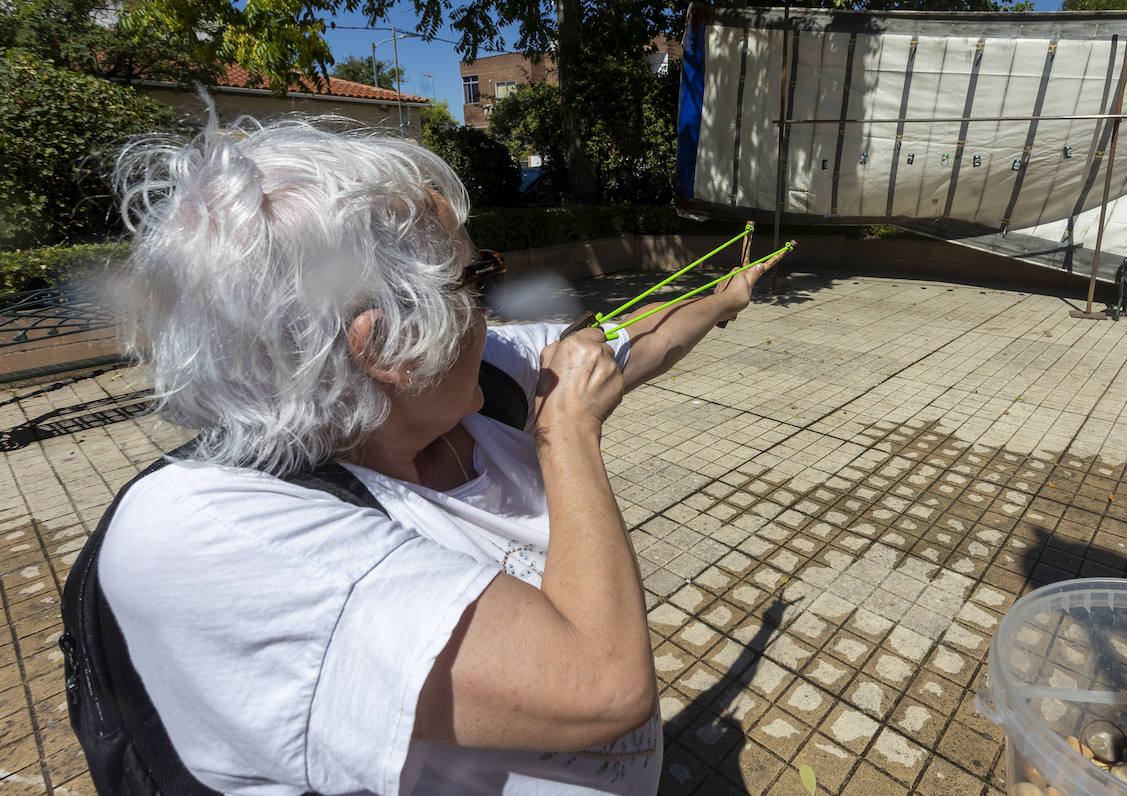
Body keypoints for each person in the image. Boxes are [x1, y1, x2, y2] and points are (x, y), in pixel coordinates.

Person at [99, 113, 782, 796]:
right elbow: (602, 686)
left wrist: (723, 298)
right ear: (386, 345)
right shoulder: (208, 535)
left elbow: (634, 344)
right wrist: (567, 433)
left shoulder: (477, 377)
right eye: (476, 278)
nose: (490, 306)